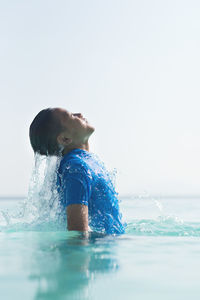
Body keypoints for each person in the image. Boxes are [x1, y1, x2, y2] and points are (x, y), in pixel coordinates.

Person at [29, 107, 125, 234]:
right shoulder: (76, 168)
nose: (79, 114)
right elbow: (78, 231)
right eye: (71, 116)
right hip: (99, 248)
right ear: (65, 139)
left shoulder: (83, 161)